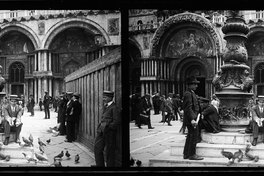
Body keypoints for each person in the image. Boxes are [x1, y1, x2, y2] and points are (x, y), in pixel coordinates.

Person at [94, 90, 121, 167]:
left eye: (105, 97)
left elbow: (117, 122)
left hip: (109, 133)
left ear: (110, 98)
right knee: (97, 149)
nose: (103, 99)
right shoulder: (106, 106)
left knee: (109, 152)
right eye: (103, 97)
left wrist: (107, 126)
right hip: (101, 132)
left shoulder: (114, 108)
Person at [182, 76, 203, 160]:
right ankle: (192, 154)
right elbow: (188, 108)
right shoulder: (188, 94)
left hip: (194, 118)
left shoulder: (191, 93)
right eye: (194, 84)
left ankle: (186, 154)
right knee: (194, 136)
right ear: (189, 85)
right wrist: (192, 119)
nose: (196, 86)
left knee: (190, 136)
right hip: (192, 120)